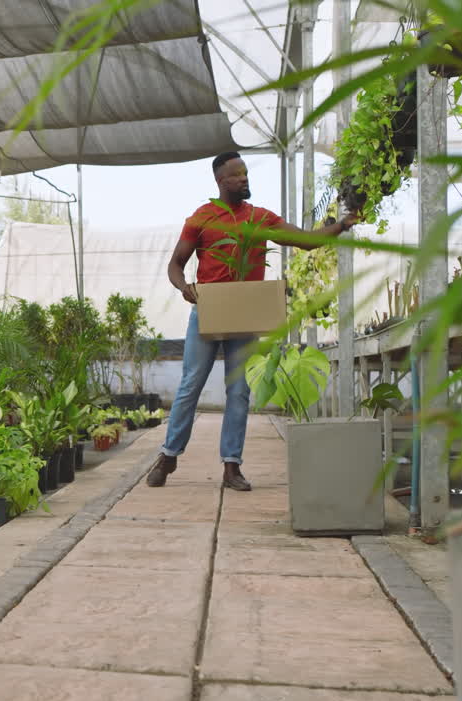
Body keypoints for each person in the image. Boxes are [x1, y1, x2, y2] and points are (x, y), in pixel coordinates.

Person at [146, 151, 359, 491]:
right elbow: (176, 263)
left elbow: (305, 241)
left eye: (245, 173)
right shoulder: (202, 217)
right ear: (220, 181)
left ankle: (232, 467)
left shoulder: (260, 218)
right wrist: (184, 287)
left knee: (239, 391)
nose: (244, 179)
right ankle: (169, 455)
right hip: (209, 308)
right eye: (236, 175)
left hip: (244, 311)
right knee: (190, 386)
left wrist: (341, 225)